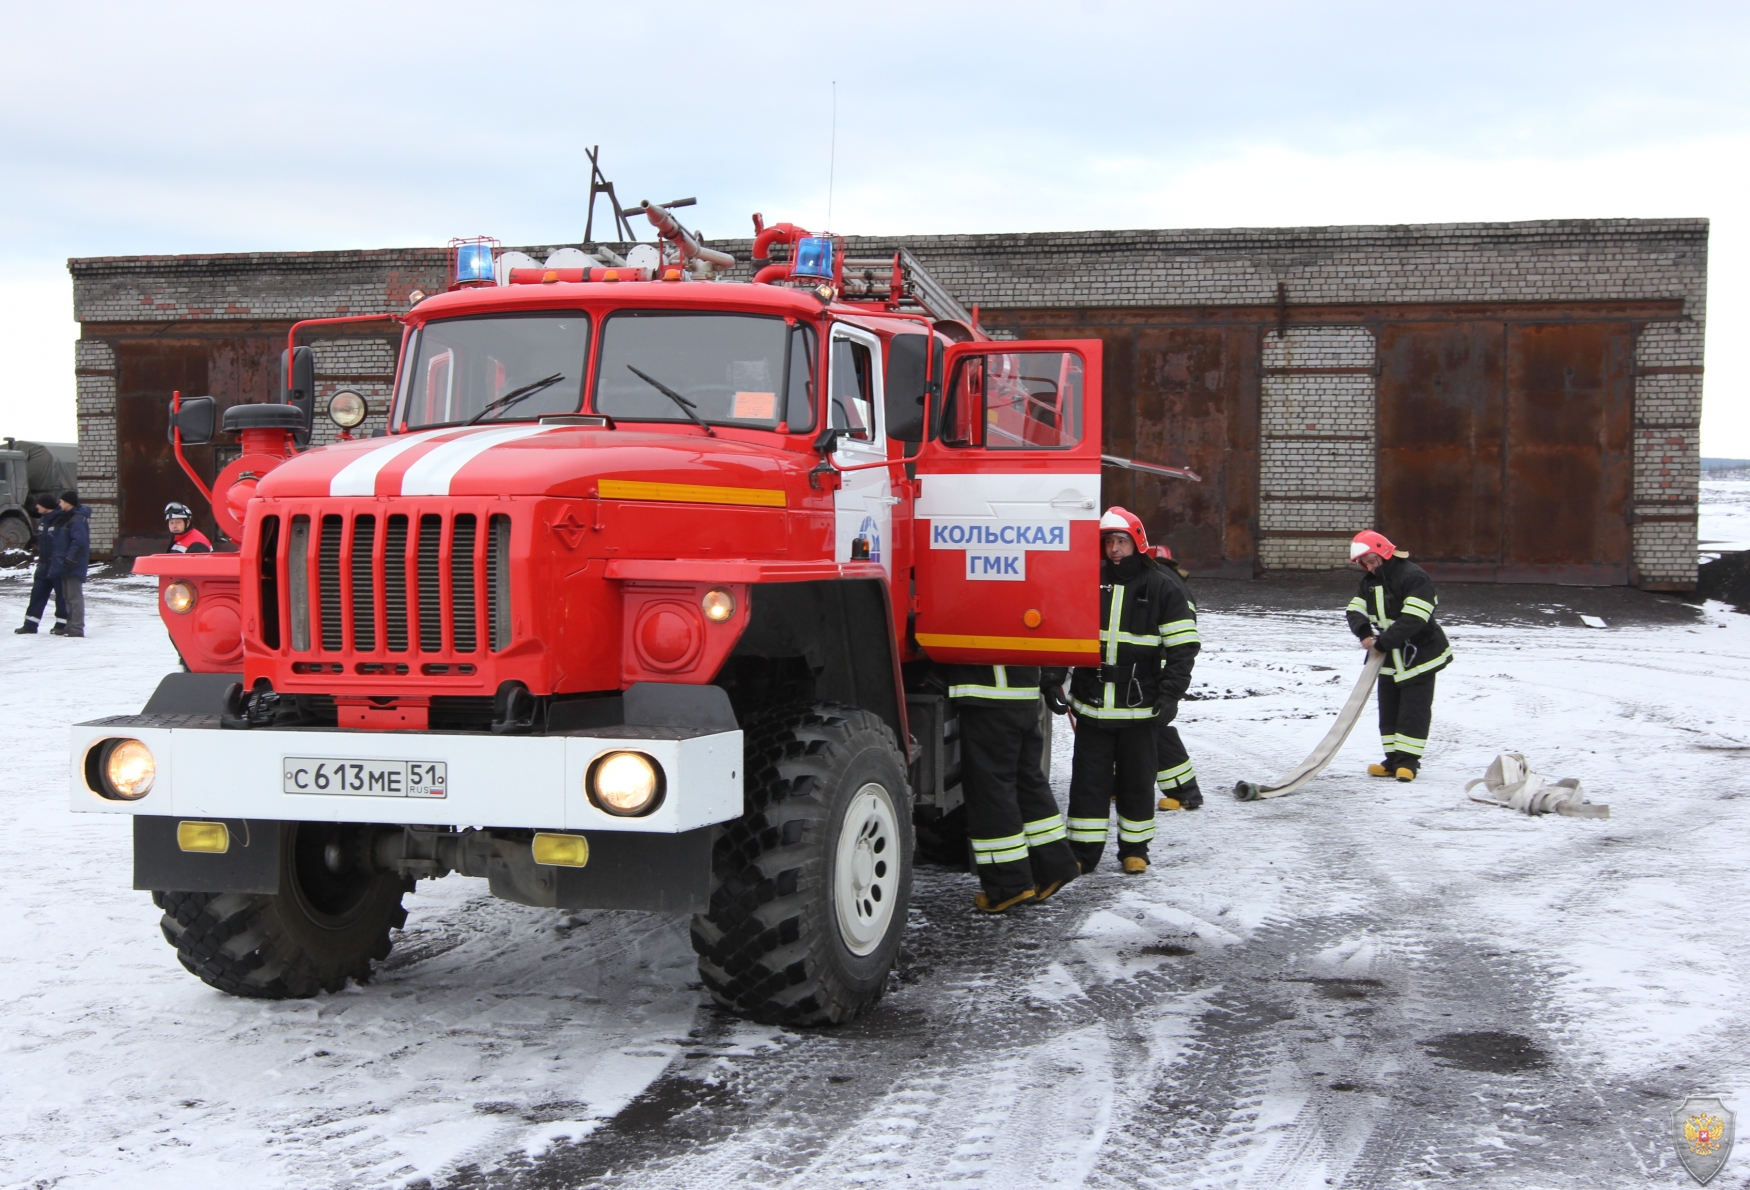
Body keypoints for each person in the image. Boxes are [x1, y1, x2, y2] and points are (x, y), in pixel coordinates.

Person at [1054, 507, 1200, 875]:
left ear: (1137, 542)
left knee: (1137, 784)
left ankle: (1135, 850)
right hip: (1092, 705)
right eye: (1108, 543)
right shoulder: (1088, 581)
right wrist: (1053, 677)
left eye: (1120, 541)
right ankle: (1083, 853)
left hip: (1140, 710)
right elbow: (1065, 633)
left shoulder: (1162, 586)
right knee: (1088, 784)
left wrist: (1170, 695)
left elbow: (1183, 649)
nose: (1114, 550)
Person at [943, 664, 1081, 914]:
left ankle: (1009, 885)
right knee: (1026, 782)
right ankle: (1053, 867)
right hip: (1022, 694)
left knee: (991, 789)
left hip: (987, 694)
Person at [1346, 530, 1453, 781]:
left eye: (1372, 561)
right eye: (1365, 564)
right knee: (1389, 708)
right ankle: (1392, 760)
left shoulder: (1414, 577)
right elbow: (1354, 609)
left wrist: (1382, 642)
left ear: (1384, 551)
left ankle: (1408, 762)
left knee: (1413, 709)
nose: (1370, 568)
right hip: (1389, 655)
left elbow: (1415, 618)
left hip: (1420, 654)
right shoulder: (1369, 582)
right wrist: (1364, 633)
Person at [1146, 544, 1204, 811]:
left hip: (1154, 670)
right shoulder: (1174, 580)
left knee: (1155, 729)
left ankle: (1185, 793)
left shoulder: (1165, 583)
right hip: (1152, 668)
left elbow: (1182, 635)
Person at [14, 495, 68, 634]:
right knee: (37, 595)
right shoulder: (44, 520)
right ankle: (30, 625)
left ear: (46, 506)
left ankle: (61, 625)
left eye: (39, 504)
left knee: (62, 597)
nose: (36, 507)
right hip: (43, 565)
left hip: (57, 565)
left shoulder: (61, 520)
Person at [48, 490, 91, 638]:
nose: (59, 504)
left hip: (73, 565)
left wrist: (71, 560)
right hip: (65, 564)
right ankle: (70, 625)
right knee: (66, 596)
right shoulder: (67, 517)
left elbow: (79, 542)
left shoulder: (77, 519)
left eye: (61, 501)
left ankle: (77, 627)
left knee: (74, 596)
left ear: (67, 502)